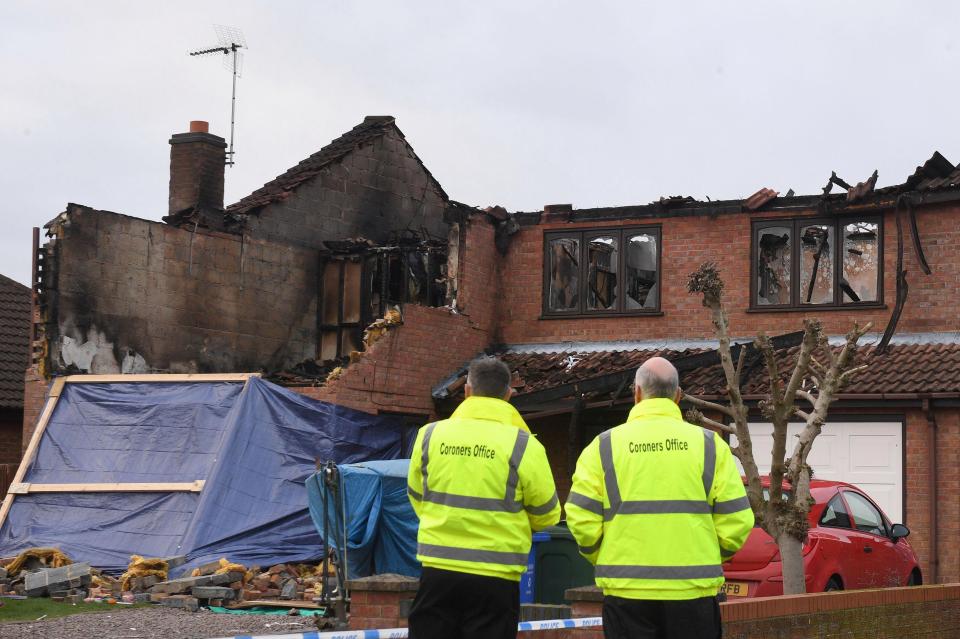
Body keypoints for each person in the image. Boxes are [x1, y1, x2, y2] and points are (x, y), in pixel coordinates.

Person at [565, 357, 753, 639]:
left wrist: (604, 555)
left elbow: (580, 518)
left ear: (636, 393)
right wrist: (708, 555)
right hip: (693, 592)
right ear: (677, 396)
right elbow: (737, 519)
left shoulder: (603, 447)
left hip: (627, 591)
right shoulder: (710, 445)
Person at [406, 356, 560, 639]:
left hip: (438, 570)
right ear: (508, 394)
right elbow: (548, 513)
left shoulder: (429, 435)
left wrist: (447, 522)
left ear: (467, 390)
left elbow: (417, 495)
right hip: (496, 576)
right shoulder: (524, 445)